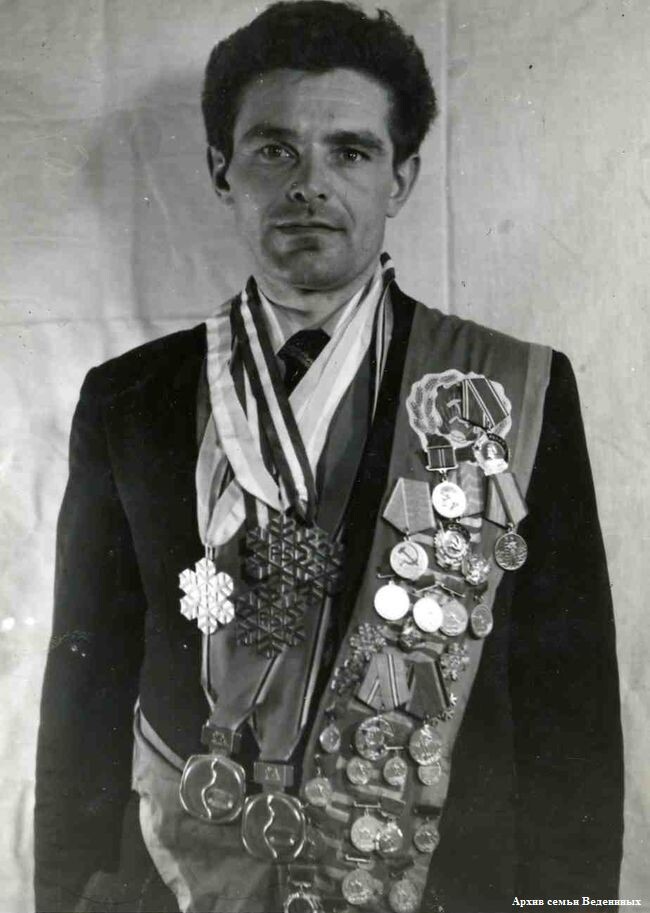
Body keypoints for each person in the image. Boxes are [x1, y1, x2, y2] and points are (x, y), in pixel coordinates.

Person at [34, 3, 624, 912]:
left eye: (350, 151)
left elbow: (569, 710)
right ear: (221, 170)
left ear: (401, 177)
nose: (310, 184)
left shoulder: (508, 390)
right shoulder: (128, 398)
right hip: (178, 885)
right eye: (274, 149)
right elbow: (85, 686)